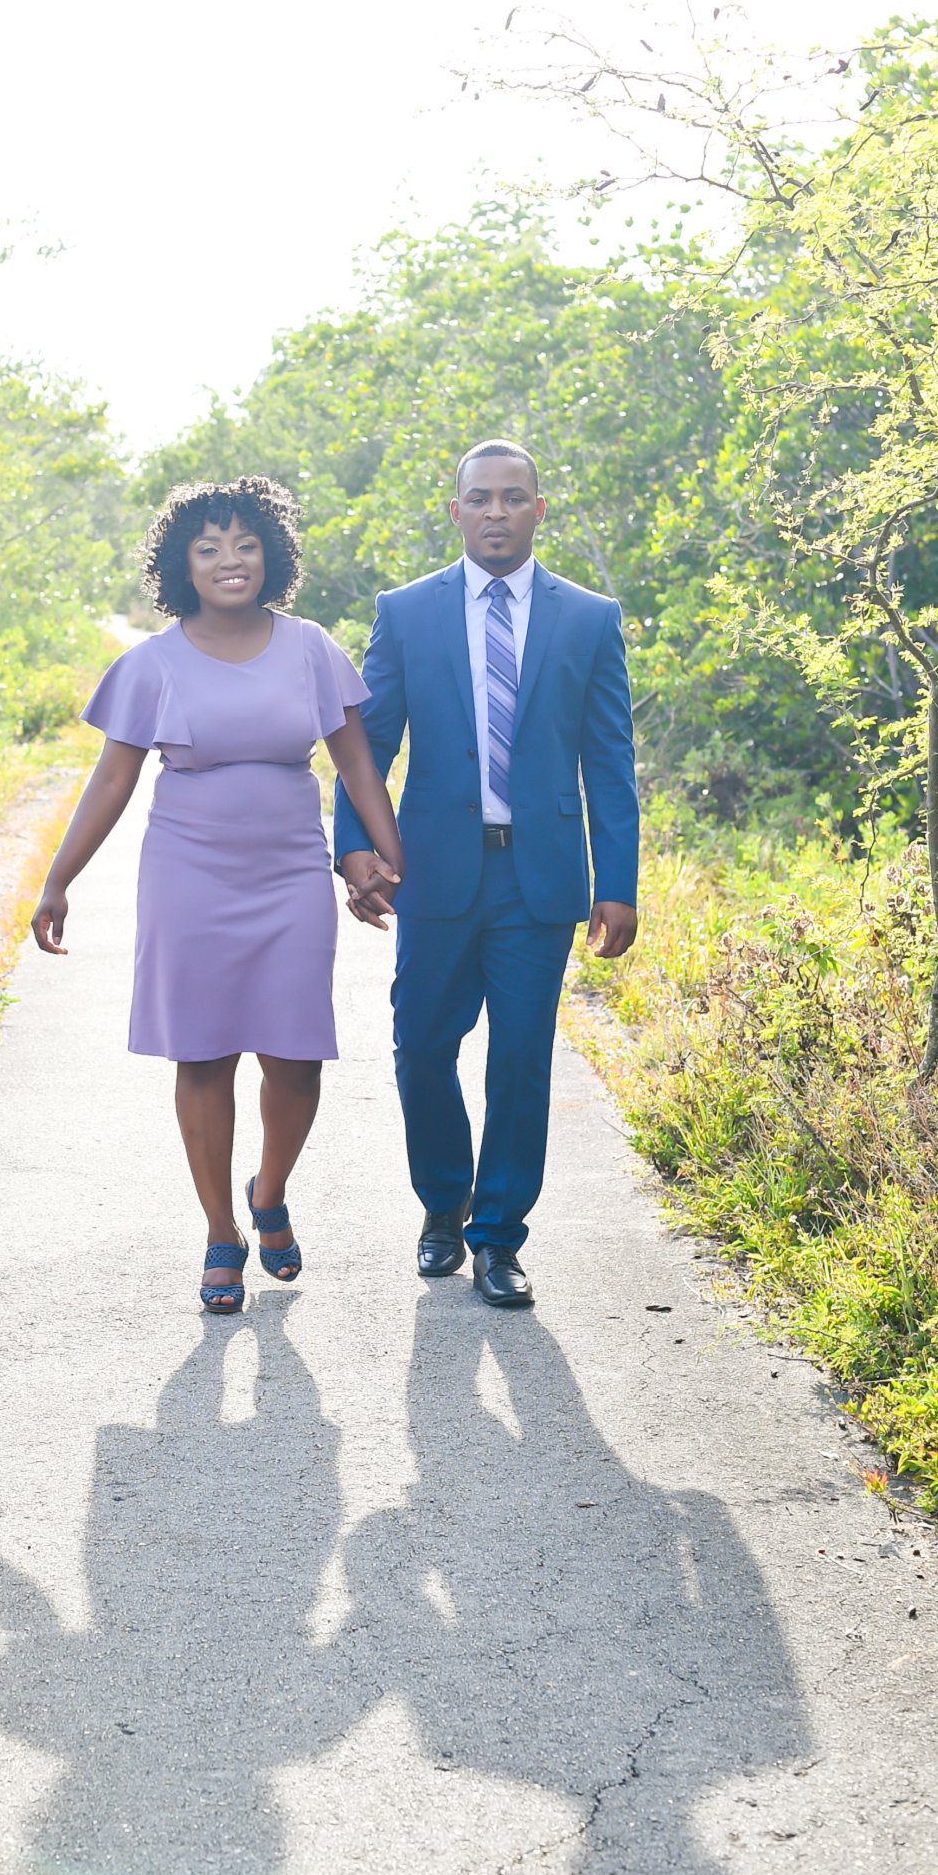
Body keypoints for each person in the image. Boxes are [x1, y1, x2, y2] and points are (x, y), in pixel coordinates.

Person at [31, 476, 404, 1315]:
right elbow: (111, 782)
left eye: (243, 544)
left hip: (288, 873)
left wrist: (389, 857)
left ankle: (268, 1190)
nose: (229, 560)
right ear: (181, 566)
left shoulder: (310, 647)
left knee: (295, 1051)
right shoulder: (152, 663)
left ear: (269, 554)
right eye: (208, 548)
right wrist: (59, 878)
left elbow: (354, 762)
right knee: (200, 1053)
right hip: (188, 873)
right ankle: (220, 1231)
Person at [332, 440, 639, 1307]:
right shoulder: (406, 612)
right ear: (455, 509)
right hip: (433, 874)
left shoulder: (589, 618)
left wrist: (617, 881)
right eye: (480, 498)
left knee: (521, 1062)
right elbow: (369, 744)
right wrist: (355, 846)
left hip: (538, 880)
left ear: (541, 509)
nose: (496, 511)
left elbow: (609, 761)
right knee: (422, 1045)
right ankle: (443, 1204)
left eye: (513, 497)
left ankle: (499, 1235)